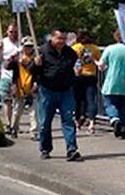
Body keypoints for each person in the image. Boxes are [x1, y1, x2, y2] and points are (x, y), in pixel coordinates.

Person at [31, 27, 82, 162]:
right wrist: (36, 64)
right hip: (48, 90)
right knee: (44, 122)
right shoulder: (42, 51)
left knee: (68, 120)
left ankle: (72, 149)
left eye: (63, 39)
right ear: (52, 38)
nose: (61, 41)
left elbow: (74, 65)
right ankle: (45, 148)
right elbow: (31, 70)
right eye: (59, 38)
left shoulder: (70, 53)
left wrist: (76, 73)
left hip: (65, 90)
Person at [99, 30, 125, 139]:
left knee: (110, 104)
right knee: (124, 108)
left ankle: (114, 119)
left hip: (111, 83)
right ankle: (124, 129)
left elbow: (101, 65)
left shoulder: (110, 49)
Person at [6, 36, 38, 137]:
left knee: (33, 112)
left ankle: (34, 132)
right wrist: (12, 58)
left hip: (31, 88)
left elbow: (36, 70)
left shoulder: (36, 58)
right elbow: (7, 66)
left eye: (30, 46)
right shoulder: (17, 58)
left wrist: (27, 62)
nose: (28, 48)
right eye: (26, 46)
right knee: (17, 111)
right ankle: (14, 129)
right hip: (19, 87)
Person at [72, 29, 101, 135]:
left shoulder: (75, 48)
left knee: (78, 100)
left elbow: (71, 61)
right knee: (91, 99)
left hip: (78, 76)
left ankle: (77, 121)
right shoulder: (94, 48)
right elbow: (99, 60)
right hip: (91, 75)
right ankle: (92, 123)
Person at [0, 23, 22, 133]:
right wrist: (0, 49)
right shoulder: (2, 42)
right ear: (7, 32)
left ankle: (15, 125)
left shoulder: (22, 42)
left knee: (18, 102)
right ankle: (8, 123)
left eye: (15, 32)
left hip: (19, 77)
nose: (13, 34)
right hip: (6, 75)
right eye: (11, 32)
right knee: (6, 100)